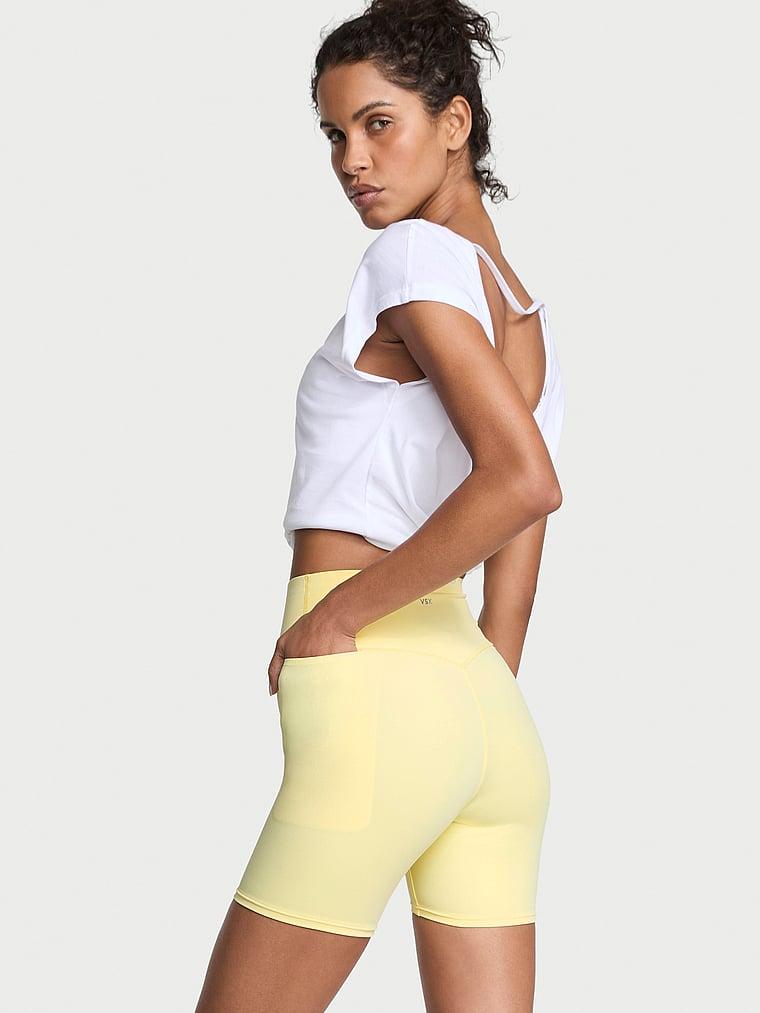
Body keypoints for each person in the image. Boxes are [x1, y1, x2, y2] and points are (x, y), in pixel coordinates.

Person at [194, 1, 565, 1009]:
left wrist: (339, 615)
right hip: (486, 714)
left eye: (377, 123)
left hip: (375, 681)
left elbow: (522, 481)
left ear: (455, 122)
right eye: (333, 133)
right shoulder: (525, 315)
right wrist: (469, 715)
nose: (350, 159)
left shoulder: (409, 258)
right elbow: (519, 549)